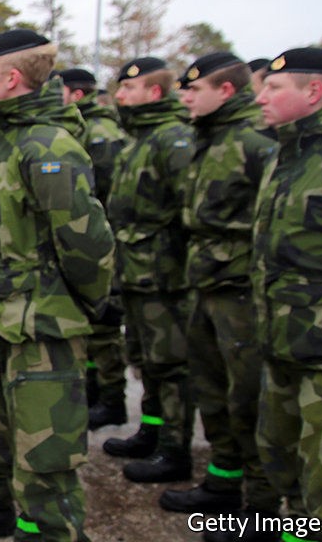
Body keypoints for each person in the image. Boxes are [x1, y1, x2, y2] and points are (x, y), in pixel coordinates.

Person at [0, 30, 113, 541]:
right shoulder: (6, 138)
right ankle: (22, 526)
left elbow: (87, 243)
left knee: (46, 459)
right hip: (3, 318)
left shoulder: (47, 145)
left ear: (12, 79)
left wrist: (80, 309)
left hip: (42, 326)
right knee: (6, 441)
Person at [158, 53, 279, 536]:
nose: (184, 97)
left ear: (224, 92)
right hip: (204, 285)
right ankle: (223, 482)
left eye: (194, 90)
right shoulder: (208, 139)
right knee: (212, 391)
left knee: (248, 398)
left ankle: (263, 507)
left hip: (241, 294)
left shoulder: (256, 143)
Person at [249, 47, 322, 542]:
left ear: (314, 92)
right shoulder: (287, 149)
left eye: (274, 88)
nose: (260, 96)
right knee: (285, 464)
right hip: (284, 340)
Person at [102, 57, 196, 484]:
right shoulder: (141, 138)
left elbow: (186, 213)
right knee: (147, 364)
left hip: (165, 279)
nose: (120, 97)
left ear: (153, 93)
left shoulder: (173, 139)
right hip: (138, 274)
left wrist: (175, 268)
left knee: (171, 368)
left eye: (129, 89)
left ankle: (175, 451)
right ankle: (152, 433)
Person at [53, 68, 131, 430]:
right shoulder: (83, 130)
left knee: (105, 331)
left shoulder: (101, 135)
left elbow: (106, 195)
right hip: (102, 238)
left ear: (76, 96)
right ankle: (100, 393)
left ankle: (112, 398)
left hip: (106, 240)